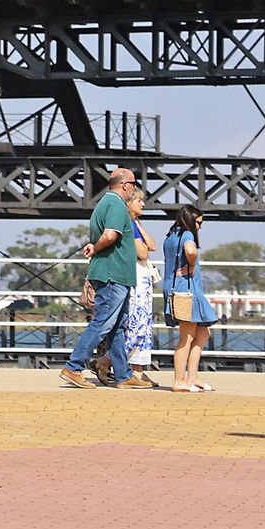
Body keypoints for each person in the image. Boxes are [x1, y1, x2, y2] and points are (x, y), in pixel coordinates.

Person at [59, 167, 154, 389]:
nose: (134, 188)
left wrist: (94, 246)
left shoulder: (105, 203)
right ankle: (73, 367)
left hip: (116, 273)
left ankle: (123, 375)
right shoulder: (115, 205)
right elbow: (110, 235)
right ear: (124, 185)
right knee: (103, 322)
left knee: (117, 326)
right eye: (133, 183)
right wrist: (95, 248)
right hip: (114, 274)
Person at [98, 187, 159, 386]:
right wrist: (137, 232)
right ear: (129, 203)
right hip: (134, 276)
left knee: (141, 323)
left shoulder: (134, 224)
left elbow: (152, 245)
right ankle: (107, 362)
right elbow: (143, 252)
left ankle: (133, 369)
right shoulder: (127, 224)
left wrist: (138, 225)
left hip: (141, 277)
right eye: (139, 201)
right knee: (135, 323)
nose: (143, 204)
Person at [163, 204, 220, 393]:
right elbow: (191, 251)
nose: (200, 227)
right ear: (189, 221)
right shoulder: (187, 235)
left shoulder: (171, 236)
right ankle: (179, 380)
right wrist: (192, 264)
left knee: (203, 333)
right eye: (198, 223)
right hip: (185, 291)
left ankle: (192, 377)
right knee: (186, 337)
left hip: (184, 289)